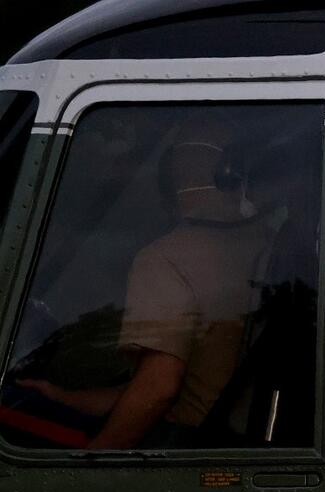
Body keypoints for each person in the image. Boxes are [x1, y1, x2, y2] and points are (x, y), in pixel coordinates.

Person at [18, 112, 276, 449]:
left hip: (188, 448)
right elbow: (156, 388)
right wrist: (63, 396)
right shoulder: (266, 241)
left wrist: (90, 463)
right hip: (238, 444)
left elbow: (159, 387)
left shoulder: (164, 257)